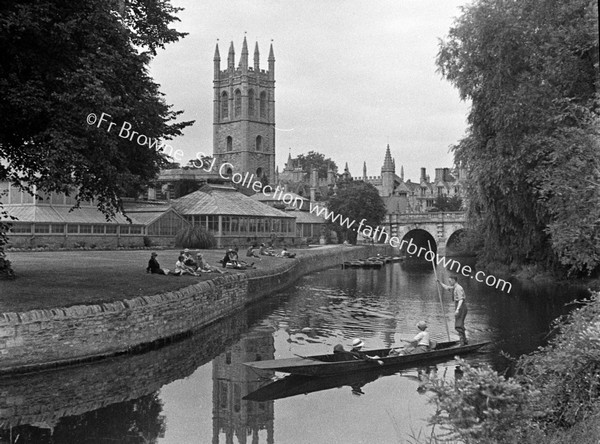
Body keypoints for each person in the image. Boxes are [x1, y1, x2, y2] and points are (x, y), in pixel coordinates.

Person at [437, 275, 468, 345]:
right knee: (460, 324)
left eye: (450, 281)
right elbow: (447, 288)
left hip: (461, 307)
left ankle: (462, 342)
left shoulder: (458, 288)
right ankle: (464, 340)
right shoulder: (454, 287)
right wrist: (440, 283)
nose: (449, 282)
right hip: (458, 306)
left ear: (454, 280)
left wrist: (457, 309)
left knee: (458, 325)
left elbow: (461, 300)